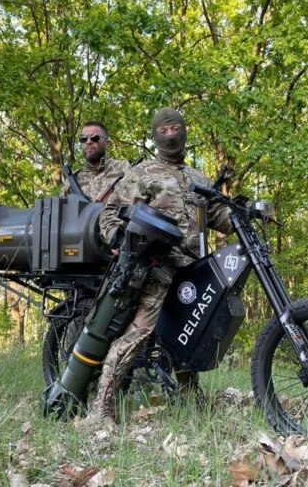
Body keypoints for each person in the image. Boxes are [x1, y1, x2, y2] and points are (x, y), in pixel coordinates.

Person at [88, 107, 234, 424]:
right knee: (138, 334)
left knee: (191, 332)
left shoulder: (198, 177)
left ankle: (190, 398)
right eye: (163, 130)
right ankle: (102, 407)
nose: (171, 134)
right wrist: (118, 241)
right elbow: (111, 212)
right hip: (157, 268)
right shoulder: (143, 173)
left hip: (194, 268)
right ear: (155, 135)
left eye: (175, 128)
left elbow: (218, 216)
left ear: (184, 131)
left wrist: (242, 215)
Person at [60, 121, 129, 201]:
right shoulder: (71, 181)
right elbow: (61, 210)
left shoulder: (125, 168)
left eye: (94, 137)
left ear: (107, 143)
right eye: (83, 139)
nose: (88, 142)